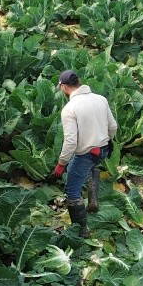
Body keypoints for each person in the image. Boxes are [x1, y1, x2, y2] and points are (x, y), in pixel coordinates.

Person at [52, 70, 118, 237]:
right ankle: (93, 200)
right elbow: (113, 127)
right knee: (90, 164)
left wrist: (61, 164)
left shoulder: (70, 108)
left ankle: (81, 231)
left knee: (72, 190)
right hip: (103, 149)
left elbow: (71, 142)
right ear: (79, 82)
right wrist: (105, 141)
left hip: (86, 153)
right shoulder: (100, 99)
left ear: (64, 87)